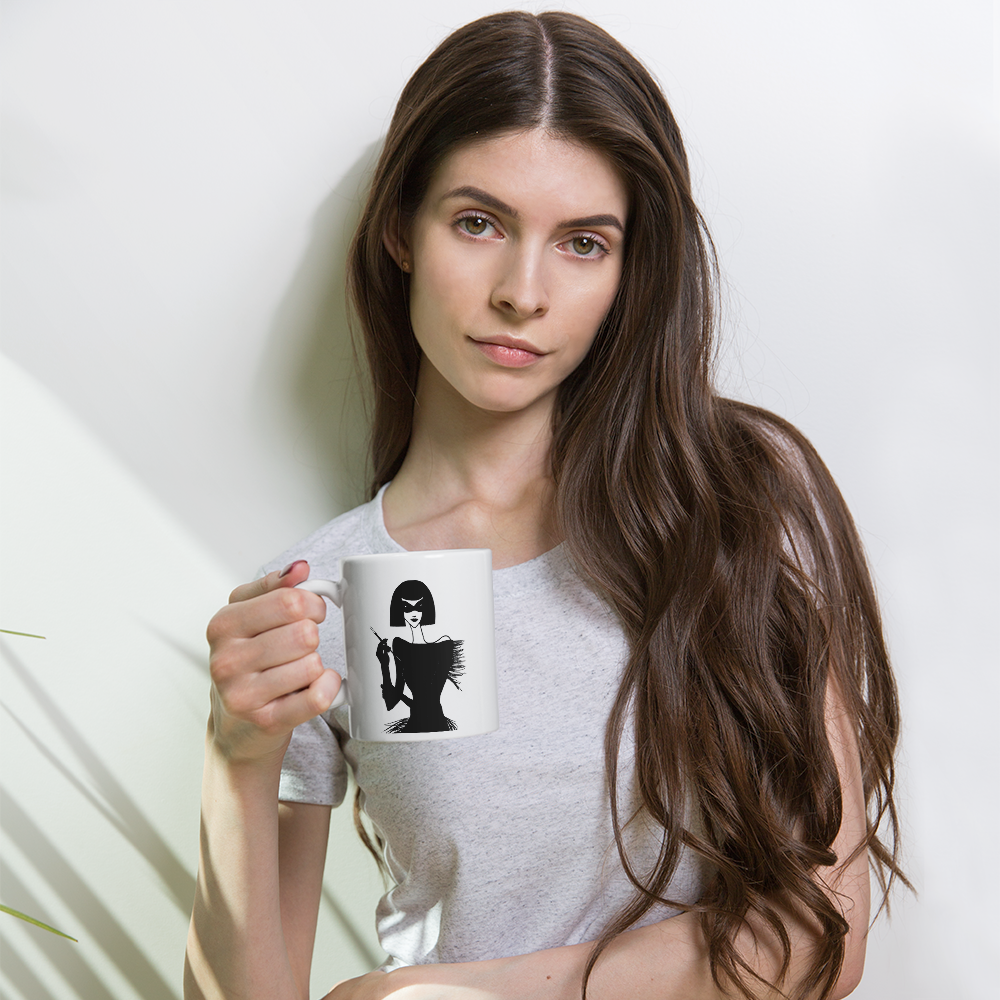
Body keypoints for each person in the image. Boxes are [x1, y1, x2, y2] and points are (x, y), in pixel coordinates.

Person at [184, 11, 906, 1000]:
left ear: (628, 268)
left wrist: (433, 995)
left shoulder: (740, 495)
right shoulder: (329, 597)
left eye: (582, 242)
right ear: (399, 227)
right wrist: (237, 759)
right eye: (477, 222)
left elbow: (815, 936)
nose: (523, 292)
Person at [377, 580, 464, 733]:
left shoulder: (444, 645)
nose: (414, 613)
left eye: (420, 606)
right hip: (415, 722)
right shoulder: (400, 646)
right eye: (406, 608)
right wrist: (384, 663)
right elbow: (392, 702)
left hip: (437, 722)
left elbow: (429, 695)